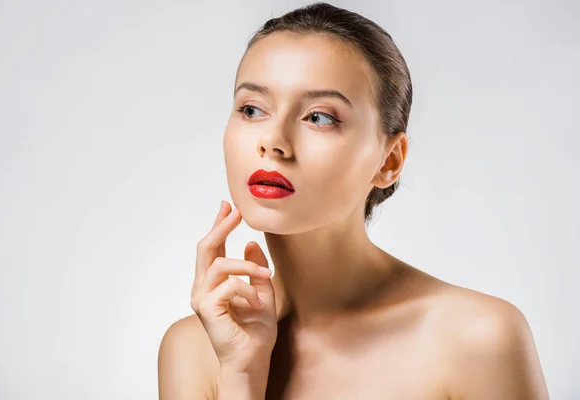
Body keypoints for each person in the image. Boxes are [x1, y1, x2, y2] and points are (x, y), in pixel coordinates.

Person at [158, 2, 549, 399]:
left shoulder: (477, 338)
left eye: (319, 117)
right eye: (252, 109)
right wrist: (241, 377)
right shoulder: (196, 349)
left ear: (389, 161)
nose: (273, 141)